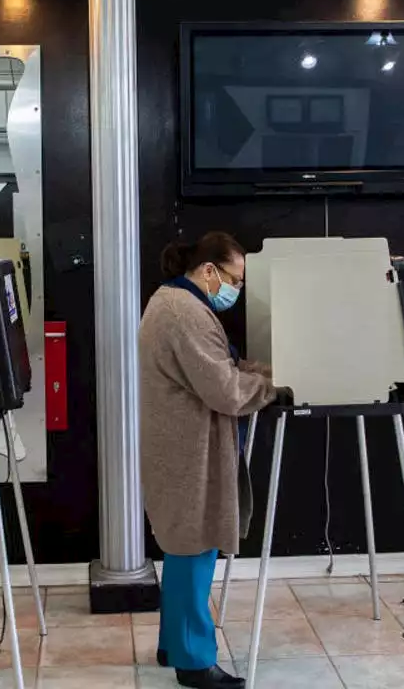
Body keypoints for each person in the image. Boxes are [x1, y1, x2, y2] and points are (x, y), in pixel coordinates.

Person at [140, 231, 286, 689]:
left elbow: (219, 367)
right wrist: (273, 388)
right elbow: (223, 389)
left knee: (185, 547)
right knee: (192, 549)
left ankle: (173, 644)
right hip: (189, 451)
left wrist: (264, 371)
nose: (236, 291)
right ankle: (195, 663)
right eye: (234, 279)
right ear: (208, 271)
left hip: (180, 446)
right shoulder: (185, 312)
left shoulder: (174, 303)